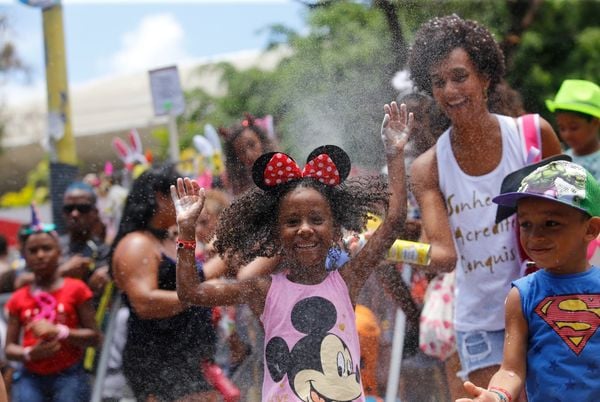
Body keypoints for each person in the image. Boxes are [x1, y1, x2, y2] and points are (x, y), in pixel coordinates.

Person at [173, 101, 411, 401]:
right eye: (292, 221)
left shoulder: (346, 278)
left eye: (316, 219)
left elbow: (395, 220)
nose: (305, 229)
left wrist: (395, 153)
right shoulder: (262, 289)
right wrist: (185, 232)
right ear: (275, 233)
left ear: (335, 229)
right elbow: (190, 292)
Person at [407, 14, 562, 390]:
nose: (448, 91)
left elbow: (573, 220)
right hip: (479, 324)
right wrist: (384, 247)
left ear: (486, 77)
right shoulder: (429, 167)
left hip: (545, 309)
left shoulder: (533, 137)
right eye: (438, 82)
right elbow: (442, 256)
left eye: (460, 76)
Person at [458, 159, 600, 402]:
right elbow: (511, 370)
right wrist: (496, 396)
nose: (535, 236)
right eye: (525, 224)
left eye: (551, 223)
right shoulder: (522, 295)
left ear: (590, 229)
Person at [110, 163, 219, 402]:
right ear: (160, 197)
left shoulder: (165, 239)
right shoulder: (137, 244)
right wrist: (204, 289)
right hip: (158, 362)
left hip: (188, 359)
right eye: (182, 194)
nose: (189, 202)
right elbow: (145, 303)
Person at [4, 221, 100, 401]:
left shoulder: (76, 289)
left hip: (69, 375)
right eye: (33, 251)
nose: (40, 255)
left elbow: (95, 337)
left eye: (46, 248)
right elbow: (9, 348)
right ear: (24, 255)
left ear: (59, 252)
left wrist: (60, 332)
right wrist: (29, 353)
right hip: (30, 377)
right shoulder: (18, 298)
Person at [546, 79, 600, 179]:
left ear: (595, 122)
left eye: (574, 128)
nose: (567, 135)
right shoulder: (562, 162)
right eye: (562, 128)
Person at [221, 114, 276, 197]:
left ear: (262, 142)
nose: (249, 154)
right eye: (241, 151)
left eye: (252, 145)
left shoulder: (282, 166)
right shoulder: (239, 186)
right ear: (236, 157)